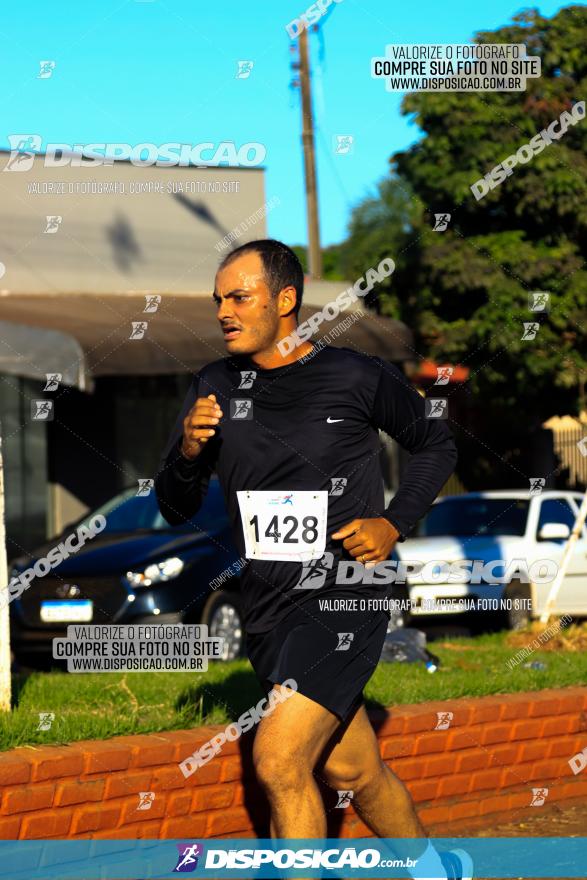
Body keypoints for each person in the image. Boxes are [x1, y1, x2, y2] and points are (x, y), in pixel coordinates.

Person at [155, 239, 472, 880]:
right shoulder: (214, 385)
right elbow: (175, 508)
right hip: (269, 603)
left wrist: (391, 521)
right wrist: (186, 455)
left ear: (286, 300)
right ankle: (438, 869)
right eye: (218, 299)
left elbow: (435, 445)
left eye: (239, 297)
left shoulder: (355, 375)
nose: (224, 311)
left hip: (348, 589)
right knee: (351, 767)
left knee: (276, 759)